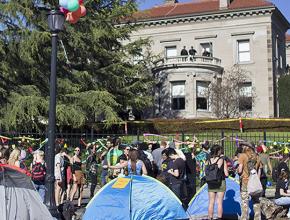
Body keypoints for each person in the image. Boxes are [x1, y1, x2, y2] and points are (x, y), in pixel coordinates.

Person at [238, 143, 262, 220]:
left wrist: (237, 170)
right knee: (256, 200)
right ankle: (257, 218)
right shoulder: (257, 156)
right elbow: (260, 170)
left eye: (243, 145)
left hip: (245, 181)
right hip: (254, 182)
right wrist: (256, 180)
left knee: (245, 201)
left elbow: (240, 170)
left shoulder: (242, 156)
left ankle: (245, 218)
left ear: (246, 147)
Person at [206, 145, 228, 220]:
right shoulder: (222, 160)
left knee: (211, 202)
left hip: (210, 182)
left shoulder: (208, 160)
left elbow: (206, 170)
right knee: (219, 203)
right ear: (218, 151)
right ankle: (219, 218)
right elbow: (226, 173)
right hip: (220, 181)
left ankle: (210, 217)